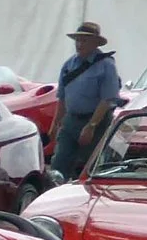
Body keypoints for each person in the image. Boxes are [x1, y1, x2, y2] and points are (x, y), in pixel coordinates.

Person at [51, 20, 121, 181]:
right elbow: (61, 97)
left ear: (95, 43)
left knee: (94, 168)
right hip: (71, 121)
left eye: (85, 40)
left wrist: (91, 126)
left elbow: (107, 99)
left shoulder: (106, 65)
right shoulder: (69, 65)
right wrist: (55, 124)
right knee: (58, 165)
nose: (79, 44)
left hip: (96, 121)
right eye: (78, 40)